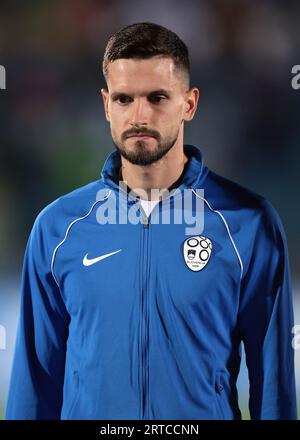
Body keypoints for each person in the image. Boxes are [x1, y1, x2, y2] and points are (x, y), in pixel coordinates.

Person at [5, 22, 297, 420]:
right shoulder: (57, 228)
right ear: (106, 105)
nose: (139, 116)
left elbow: (274, 385)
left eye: (157, 97)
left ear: (189, 104)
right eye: (124, 99)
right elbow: (34, 386)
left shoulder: (248, 224)